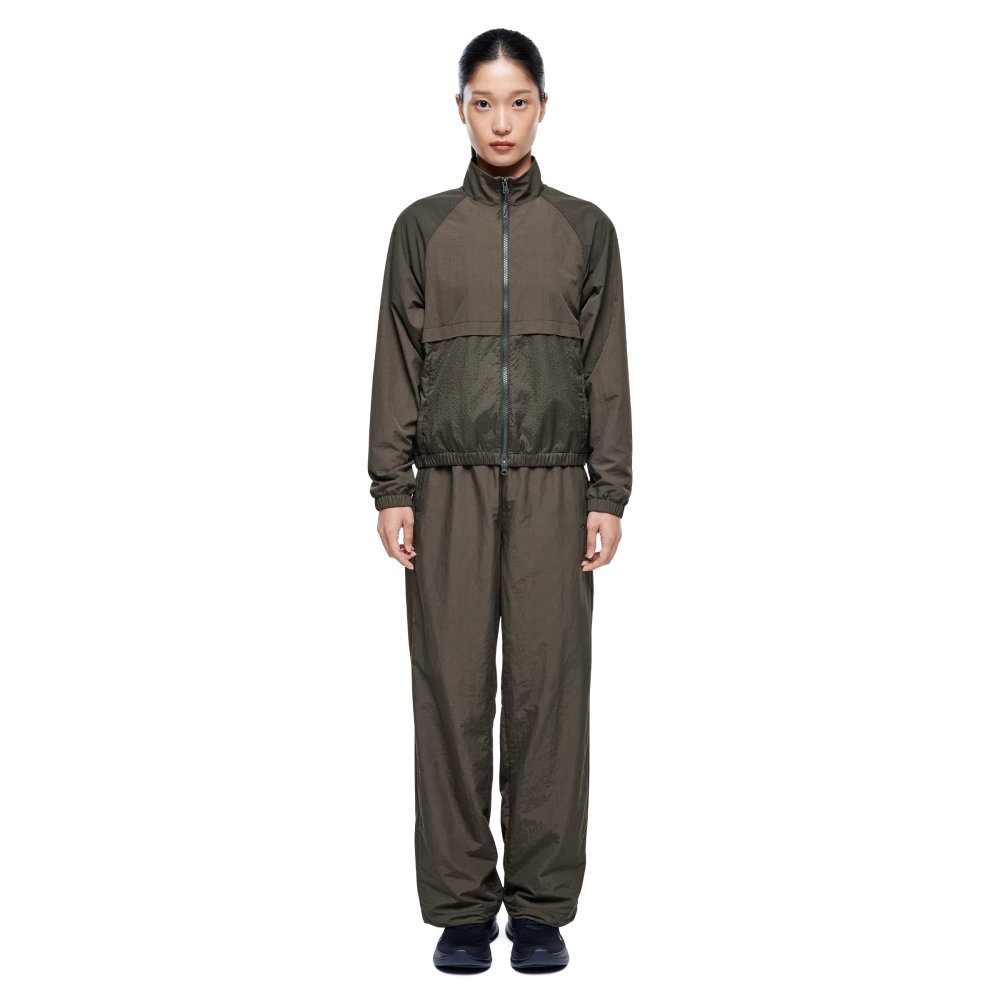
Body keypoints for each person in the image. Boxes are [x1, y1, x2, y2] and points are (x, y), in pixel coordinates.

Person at [367, 27, 633, 974]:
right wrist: (391, 485)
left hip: (559, 486)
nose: (502, 121)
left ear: (543, 107)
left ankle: (542, 910)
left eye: (518, 101)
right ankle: (461, 910)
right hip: (447, 487)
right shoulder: (423, 228)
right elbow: (398, 358)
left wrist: (610, 490)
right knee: (450, 692)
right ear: (461, 109)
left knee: (548, 697)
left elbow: (606, 368)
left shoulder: (587, 230)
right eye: (484, 102)